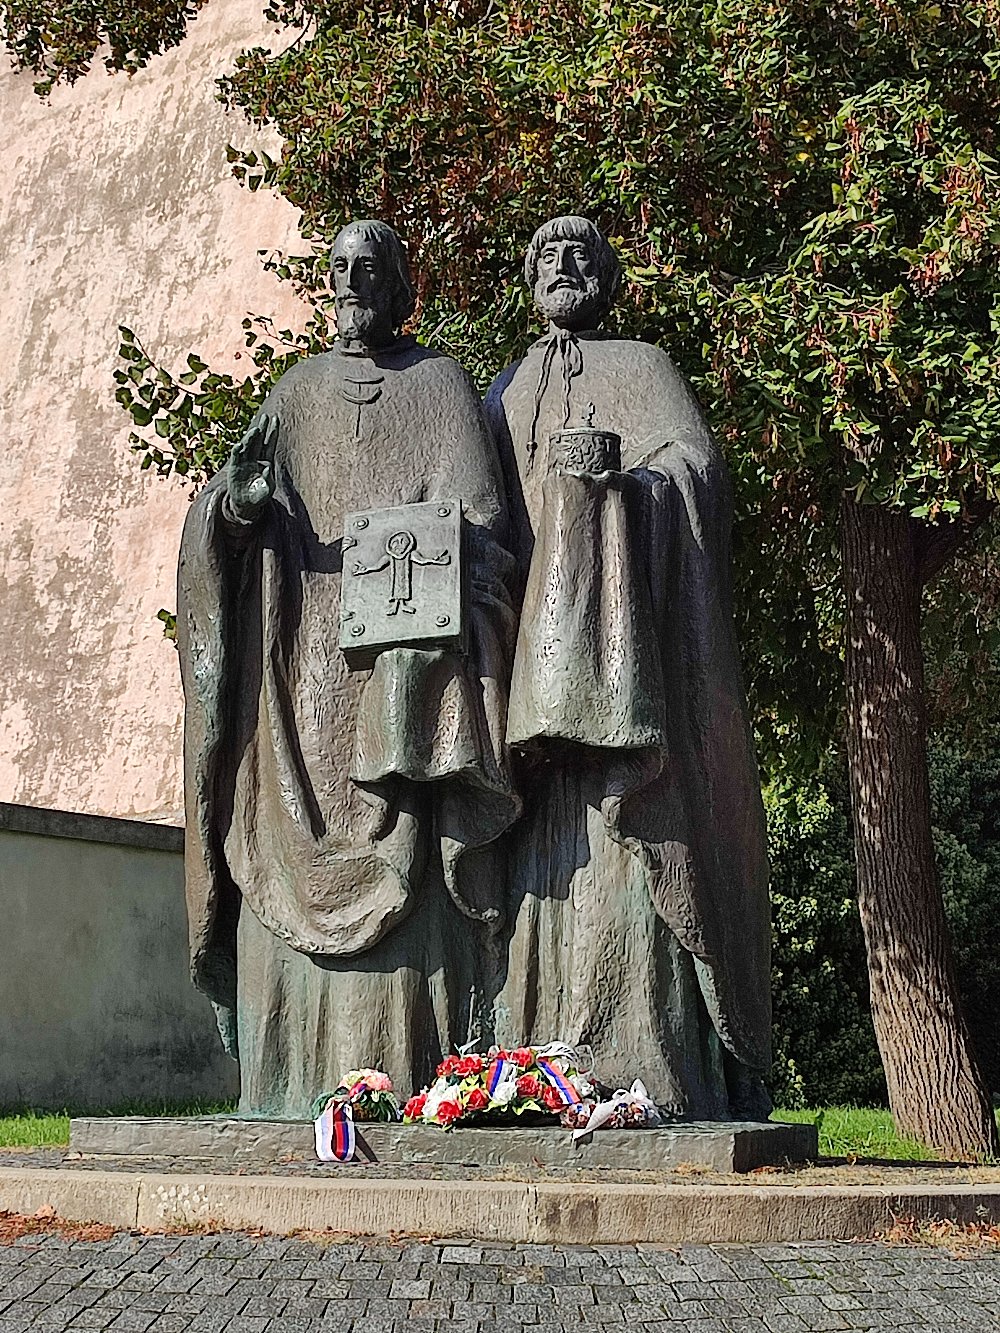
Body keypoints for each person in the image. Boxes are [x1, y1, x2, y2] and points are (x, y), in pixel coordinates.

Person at [177, 220, 519, 1116]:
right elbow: (228, 507)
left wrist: (436, 571)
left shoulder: (441, 386)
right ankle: (285, 1088)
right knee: (281, 871)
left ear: (400, 287)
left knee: (412, 884)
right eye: (338, 267)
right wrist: (235, 508)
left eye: (371, 267)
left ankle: (422, 1082)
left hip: (402, 689)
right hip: (298, 682)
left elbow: (486, 524)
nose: (351, 280)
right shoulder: (293, 394)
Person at [484, 215, 771, 1118]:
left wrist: (622, 493)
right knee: (539, 883)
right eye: (547, 255)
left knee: (629, 871)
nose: (564, 265)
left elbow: (697, 472)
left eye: (582, 253)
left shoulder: (644, 367)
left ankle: (643, 1067)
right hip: (533, 693)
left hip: (625, 680)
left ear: (607, 278)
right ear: (529, 278)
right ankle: (528, 1071)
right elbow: (484, 519)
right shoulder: (504, 391)